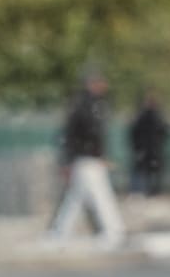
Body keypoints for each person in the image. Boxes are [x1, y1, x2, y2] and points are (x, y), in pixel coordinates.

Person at [47, 70, 124, 247]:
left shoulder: (85, 104)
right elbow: (89, 135)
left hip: (85, 158)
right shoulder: (88, 107)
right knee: (99, 196)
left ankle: (59, 232)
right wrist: (98, 155)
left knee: (76, 198)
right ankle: (114, 231)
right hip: (87, 159)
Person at [127, 92, 170, 197]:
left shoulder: (148, 115)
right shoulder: (149, 116)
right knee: (146, 171)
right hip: (149, 148)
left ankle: (146, 190)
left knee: (147, 171)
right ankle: (143, 190)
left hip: (149, 148)